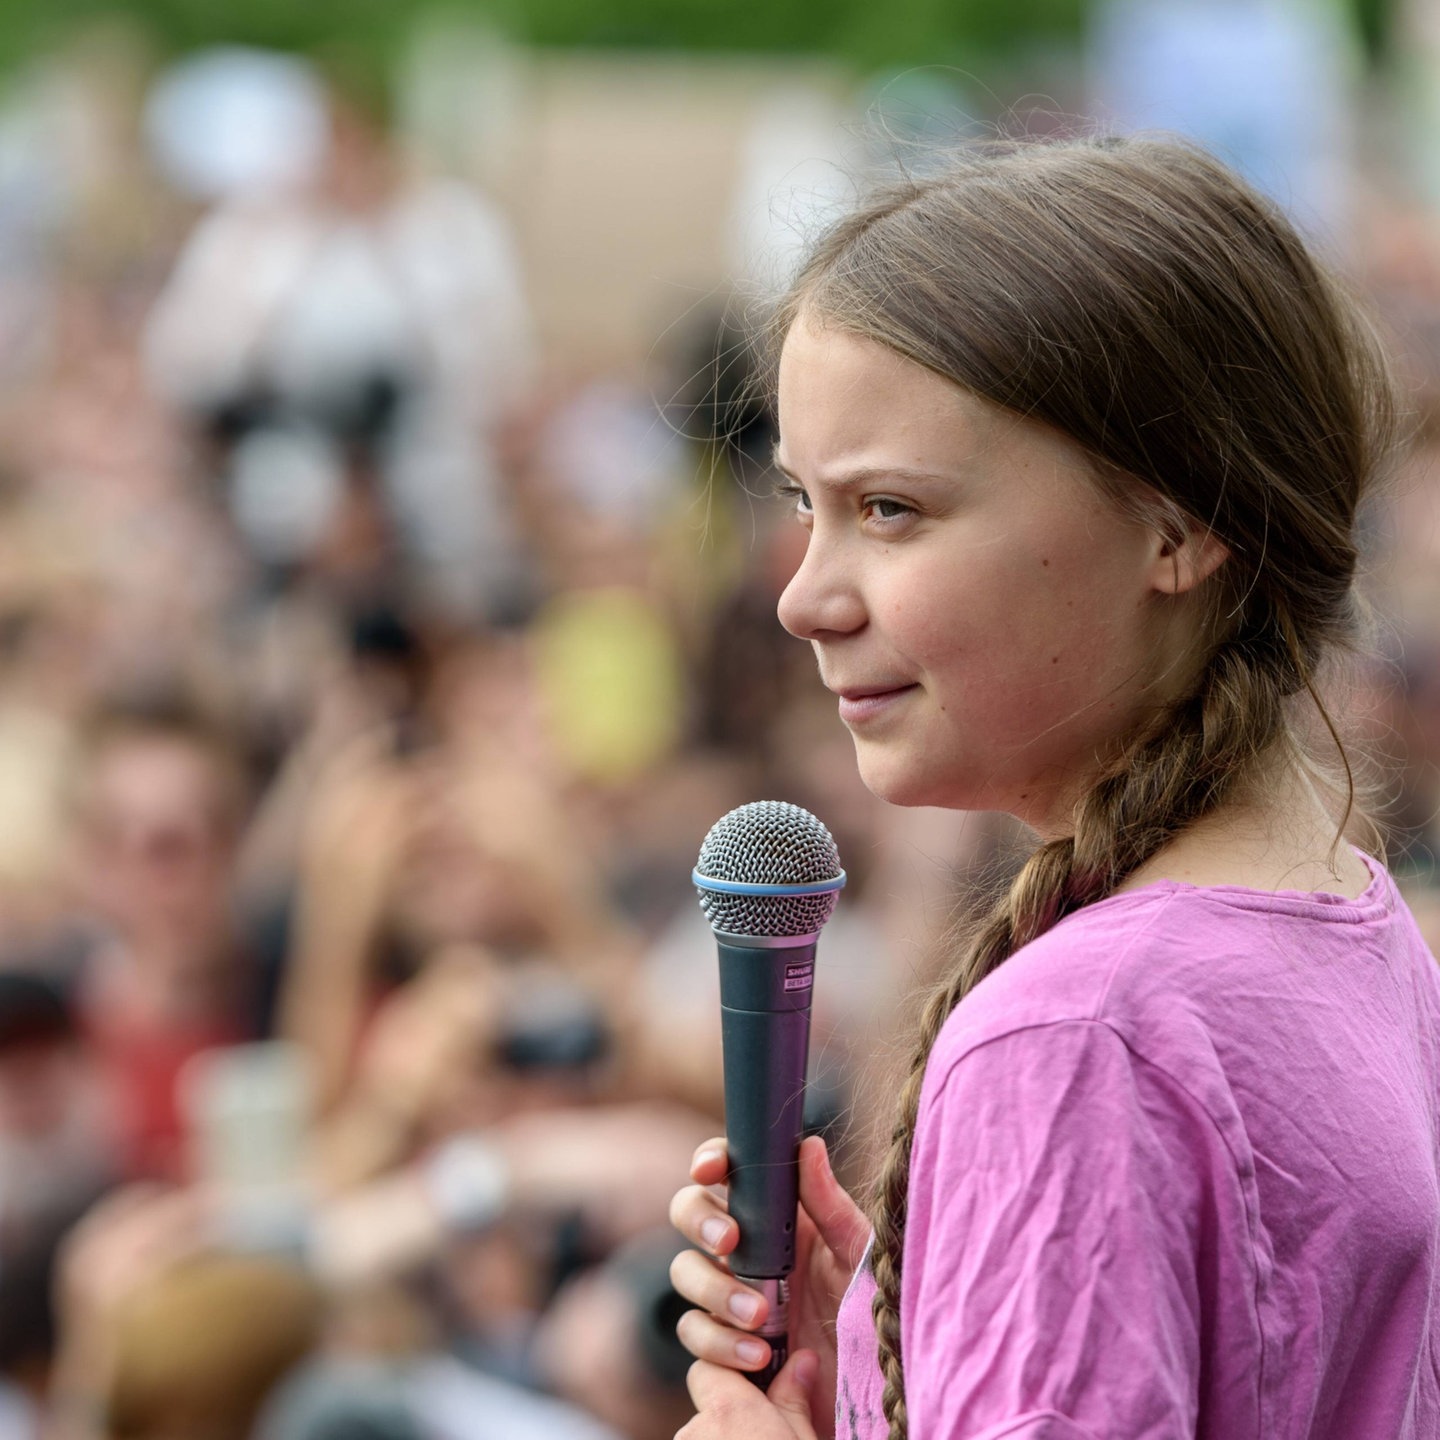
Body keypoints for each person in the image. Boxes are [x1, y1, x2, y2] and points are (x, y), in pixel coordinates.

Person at [667, 135, 1440, 1439]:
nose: (804, 596)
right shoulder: (1355, 925)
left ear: (1178, 526)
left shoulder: (1078, 1039)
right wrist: (889, 1365)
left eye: (893, 510)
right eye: (803, 502)